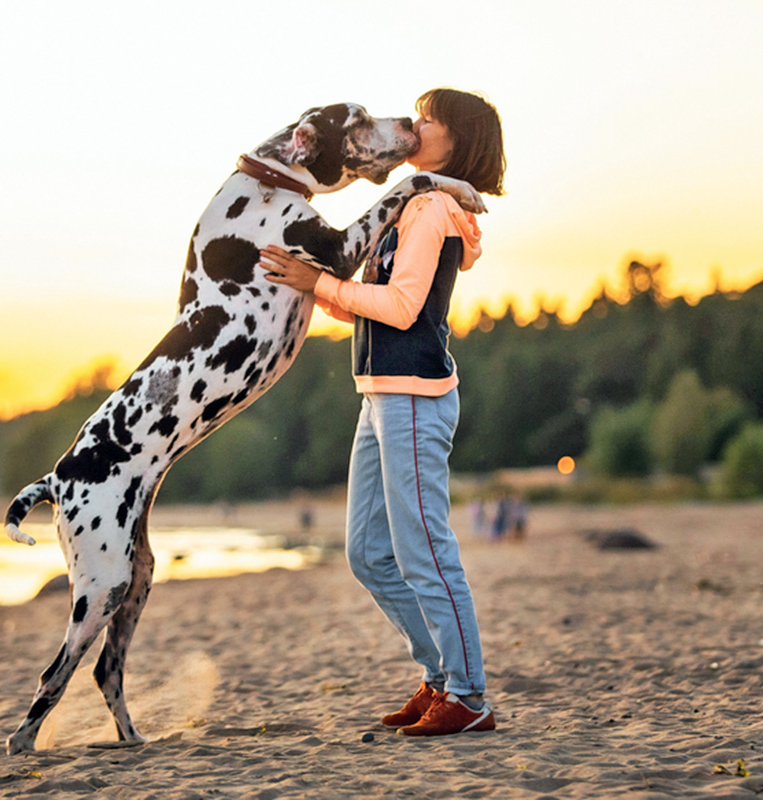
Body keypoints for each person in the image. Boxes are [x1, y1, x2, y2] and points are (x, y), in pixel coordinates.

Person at [258, 88, 505, 736]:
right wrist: (312, 285)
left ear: (458, 142)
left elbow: (400, 309)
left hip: (414, 397)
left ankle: (469, 695)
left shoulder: (431, 210)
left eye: (429, 120)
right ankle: (440, 677)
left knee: (423, 548)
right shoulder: (410, 206)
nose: (414, 125)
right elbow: (372, 299)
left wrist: (323, 285)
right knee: (368, 551)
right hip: (378, 394)